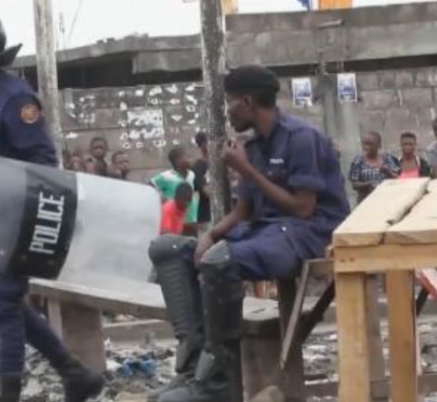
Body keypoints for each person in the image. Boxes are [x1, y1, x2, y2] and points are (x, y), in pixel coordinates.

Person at [148, 66, 349, 402]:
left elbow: (302, 207)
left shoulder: (301, 138)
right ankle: (192, 368)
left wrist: (245, 170)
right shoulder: (252, 147)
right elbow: (244, 212)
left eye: (229, 103)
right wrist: (210, 235)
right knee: (167, 249)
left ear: (247, 101)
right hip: (267, 230)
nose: (227, 111)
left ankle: (216, 384)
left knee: (219, 261)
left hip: (309, 232)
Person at [0, 2, 104, 402]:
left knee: (5, 305)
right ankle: (74, 374)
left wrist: (23, 215)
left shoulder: (14, 97)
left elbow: (43, 161)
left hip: (18, 218)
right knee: (8, 301)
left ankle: (11, 393)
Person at [151, 147, 199, 234]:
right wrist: (162, 196)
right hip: (175, 220)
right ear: (177, 160)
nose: (190, 159)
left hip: (192, 219)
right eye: (187, 157)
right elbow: (150, 184)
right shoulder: (166, 176)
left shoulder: (191, 174)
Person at [348, 131, 400, 204]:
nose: (366, 147)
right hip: (366, 202)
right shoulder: (358, 161)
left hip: (387, 201)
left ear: (379, 145)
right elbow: (354, 184)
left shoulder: (388, 158)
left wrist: (389, 172)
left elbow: (399, 180)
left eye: (370, 144)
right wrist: (368, 184)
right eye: (364, 144)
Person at [192, 132, 211, 230]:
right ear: (203, 144)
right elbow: (207, 192)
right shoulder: (198, 167)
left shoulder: (221, 162)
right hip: (207, 217)